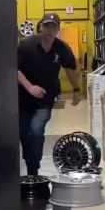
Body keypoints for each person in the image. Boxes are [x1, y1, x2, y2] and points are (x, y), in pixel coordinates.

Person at [18, 13, 81, 176]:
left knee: (36, 130)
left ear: (58, 29)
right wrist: (30, 87)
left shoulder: (62, 48)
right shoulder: (26, 45)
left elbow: (70, 69)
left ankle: (33, 168)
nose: (49, 29)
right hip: (23, 97)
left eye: (53, 26)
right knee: (23, 131)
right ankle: (29, 160)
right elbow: (15, 70)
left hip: (45, 99)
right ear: (41, 27)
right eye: (47, 25)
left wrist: (76, 90)